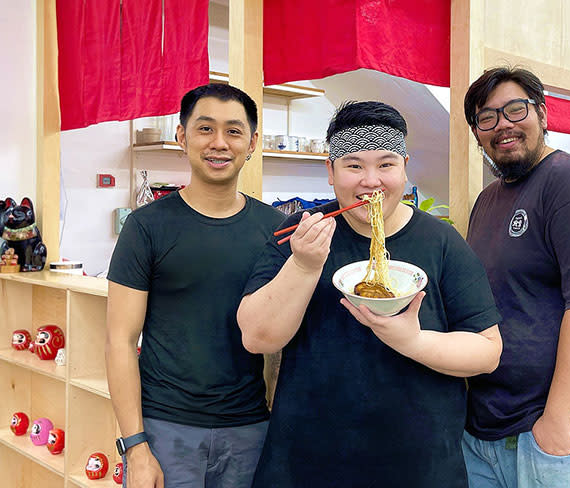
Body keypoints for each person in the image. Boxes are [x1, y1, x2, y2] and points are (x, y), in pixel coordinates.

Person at [238, 101, 503, 488]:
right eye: (354, 165)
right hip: (307, 464)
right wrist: (305, 265)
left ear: (405, 166)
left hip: (420, 467)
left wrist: (413, 341)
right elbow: (257, 337)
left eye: (386, 164)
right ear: (331, 171)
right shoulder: (302, 232)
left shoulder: (440, 241)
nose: (371, 181)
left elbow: (487, 352)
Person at [461, 66, 570, 488]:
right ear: (477, 133)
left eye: (515, 109)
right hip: (488, 429)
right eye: (487, 117)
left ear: (542, 114)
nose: (503, 125)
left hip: (555, 430)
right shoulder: (487, 200)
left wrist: (556, 422)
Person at [105, 83, 284, 488]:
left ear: (252, 142)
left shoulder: (274, 229)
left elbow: (279, 338)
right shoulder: (146, 226)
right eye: (205, 129)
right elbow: (120, 340)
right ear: (182, 136)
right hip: (165, 429)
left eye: (234, 131)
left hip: (251, 429)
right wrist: (135, 446)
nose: (219, 143)